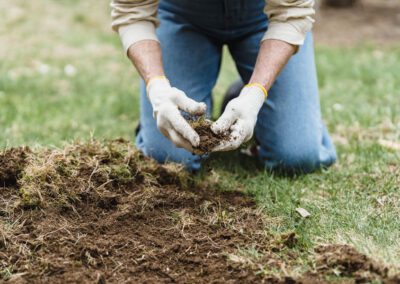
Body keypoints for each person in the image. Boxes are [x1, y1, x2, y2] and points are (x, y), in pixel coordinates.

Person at [111, 0, 337, 173]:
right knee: (168, 158)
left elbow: (292, 14)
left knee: (294, 157)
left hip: (265, 16)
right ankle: (154, 119)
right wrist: (157, 87)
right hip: (182, 14)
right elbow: (132, 11)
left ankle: (246, 96)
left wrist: (256, 93)